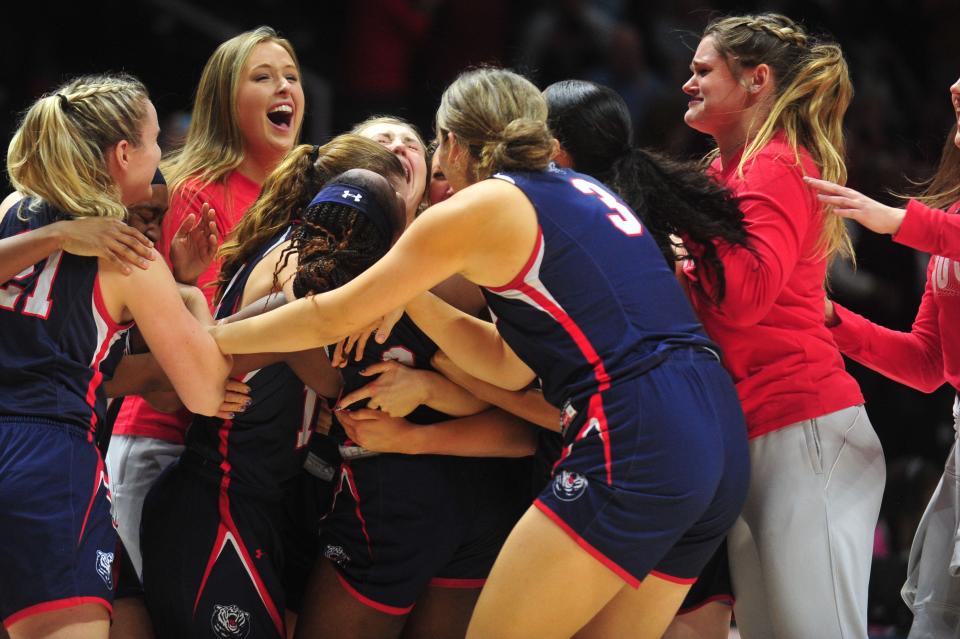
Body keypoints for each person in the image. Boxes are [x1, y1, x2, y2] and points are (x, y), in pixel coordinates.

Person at [210, 67, 749, 638]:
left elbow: (336, 312)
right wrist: (415, 296)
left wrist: (215, 339)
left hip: (638, 428)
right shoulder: (581, 189)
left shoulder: (487, 203)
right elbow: (507, 364)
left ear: (452, 143)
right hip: (716, 432)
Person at [141, 135, 407, 639]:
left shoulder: (303, 261)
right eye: (393, 203)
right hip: (217, 498)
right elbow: (175, 368)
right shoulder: (297, 285)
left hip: (251, 501)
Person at [0, 73, 231, 639]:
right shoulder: (131, 255)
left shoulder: (12, 210)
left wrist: (56, 237)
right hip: (47, 458)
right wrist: (193, 299)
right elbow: (205, 392)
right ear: (124, 154)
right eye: (156, 142)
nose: (160, 157)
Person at [680, 13, 885, 638]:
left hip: (804, 432)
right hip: (760, 432)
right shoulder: (726, 171)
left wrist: (679, 259)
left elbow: (740, 299)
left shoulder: (773, 164)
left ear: (756, 79)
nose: (687, 83)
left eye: (702, 70)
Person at [107, 25, 305, 579]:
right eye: (262, 77)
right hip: (165, 435)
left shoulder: (305, 199)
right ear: (224, 100)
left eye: (291, 76)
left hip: (253, 455)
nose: (284, 87)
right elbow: (140, 319)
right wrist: (182, 277)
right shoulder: (192, 189)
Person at [804, 75, 960, 638]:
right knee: (937, 621)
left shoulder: (938, 230)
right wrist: (831, 320)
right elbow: (924, 363)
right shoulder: (948, 226)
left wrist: (897, 220)